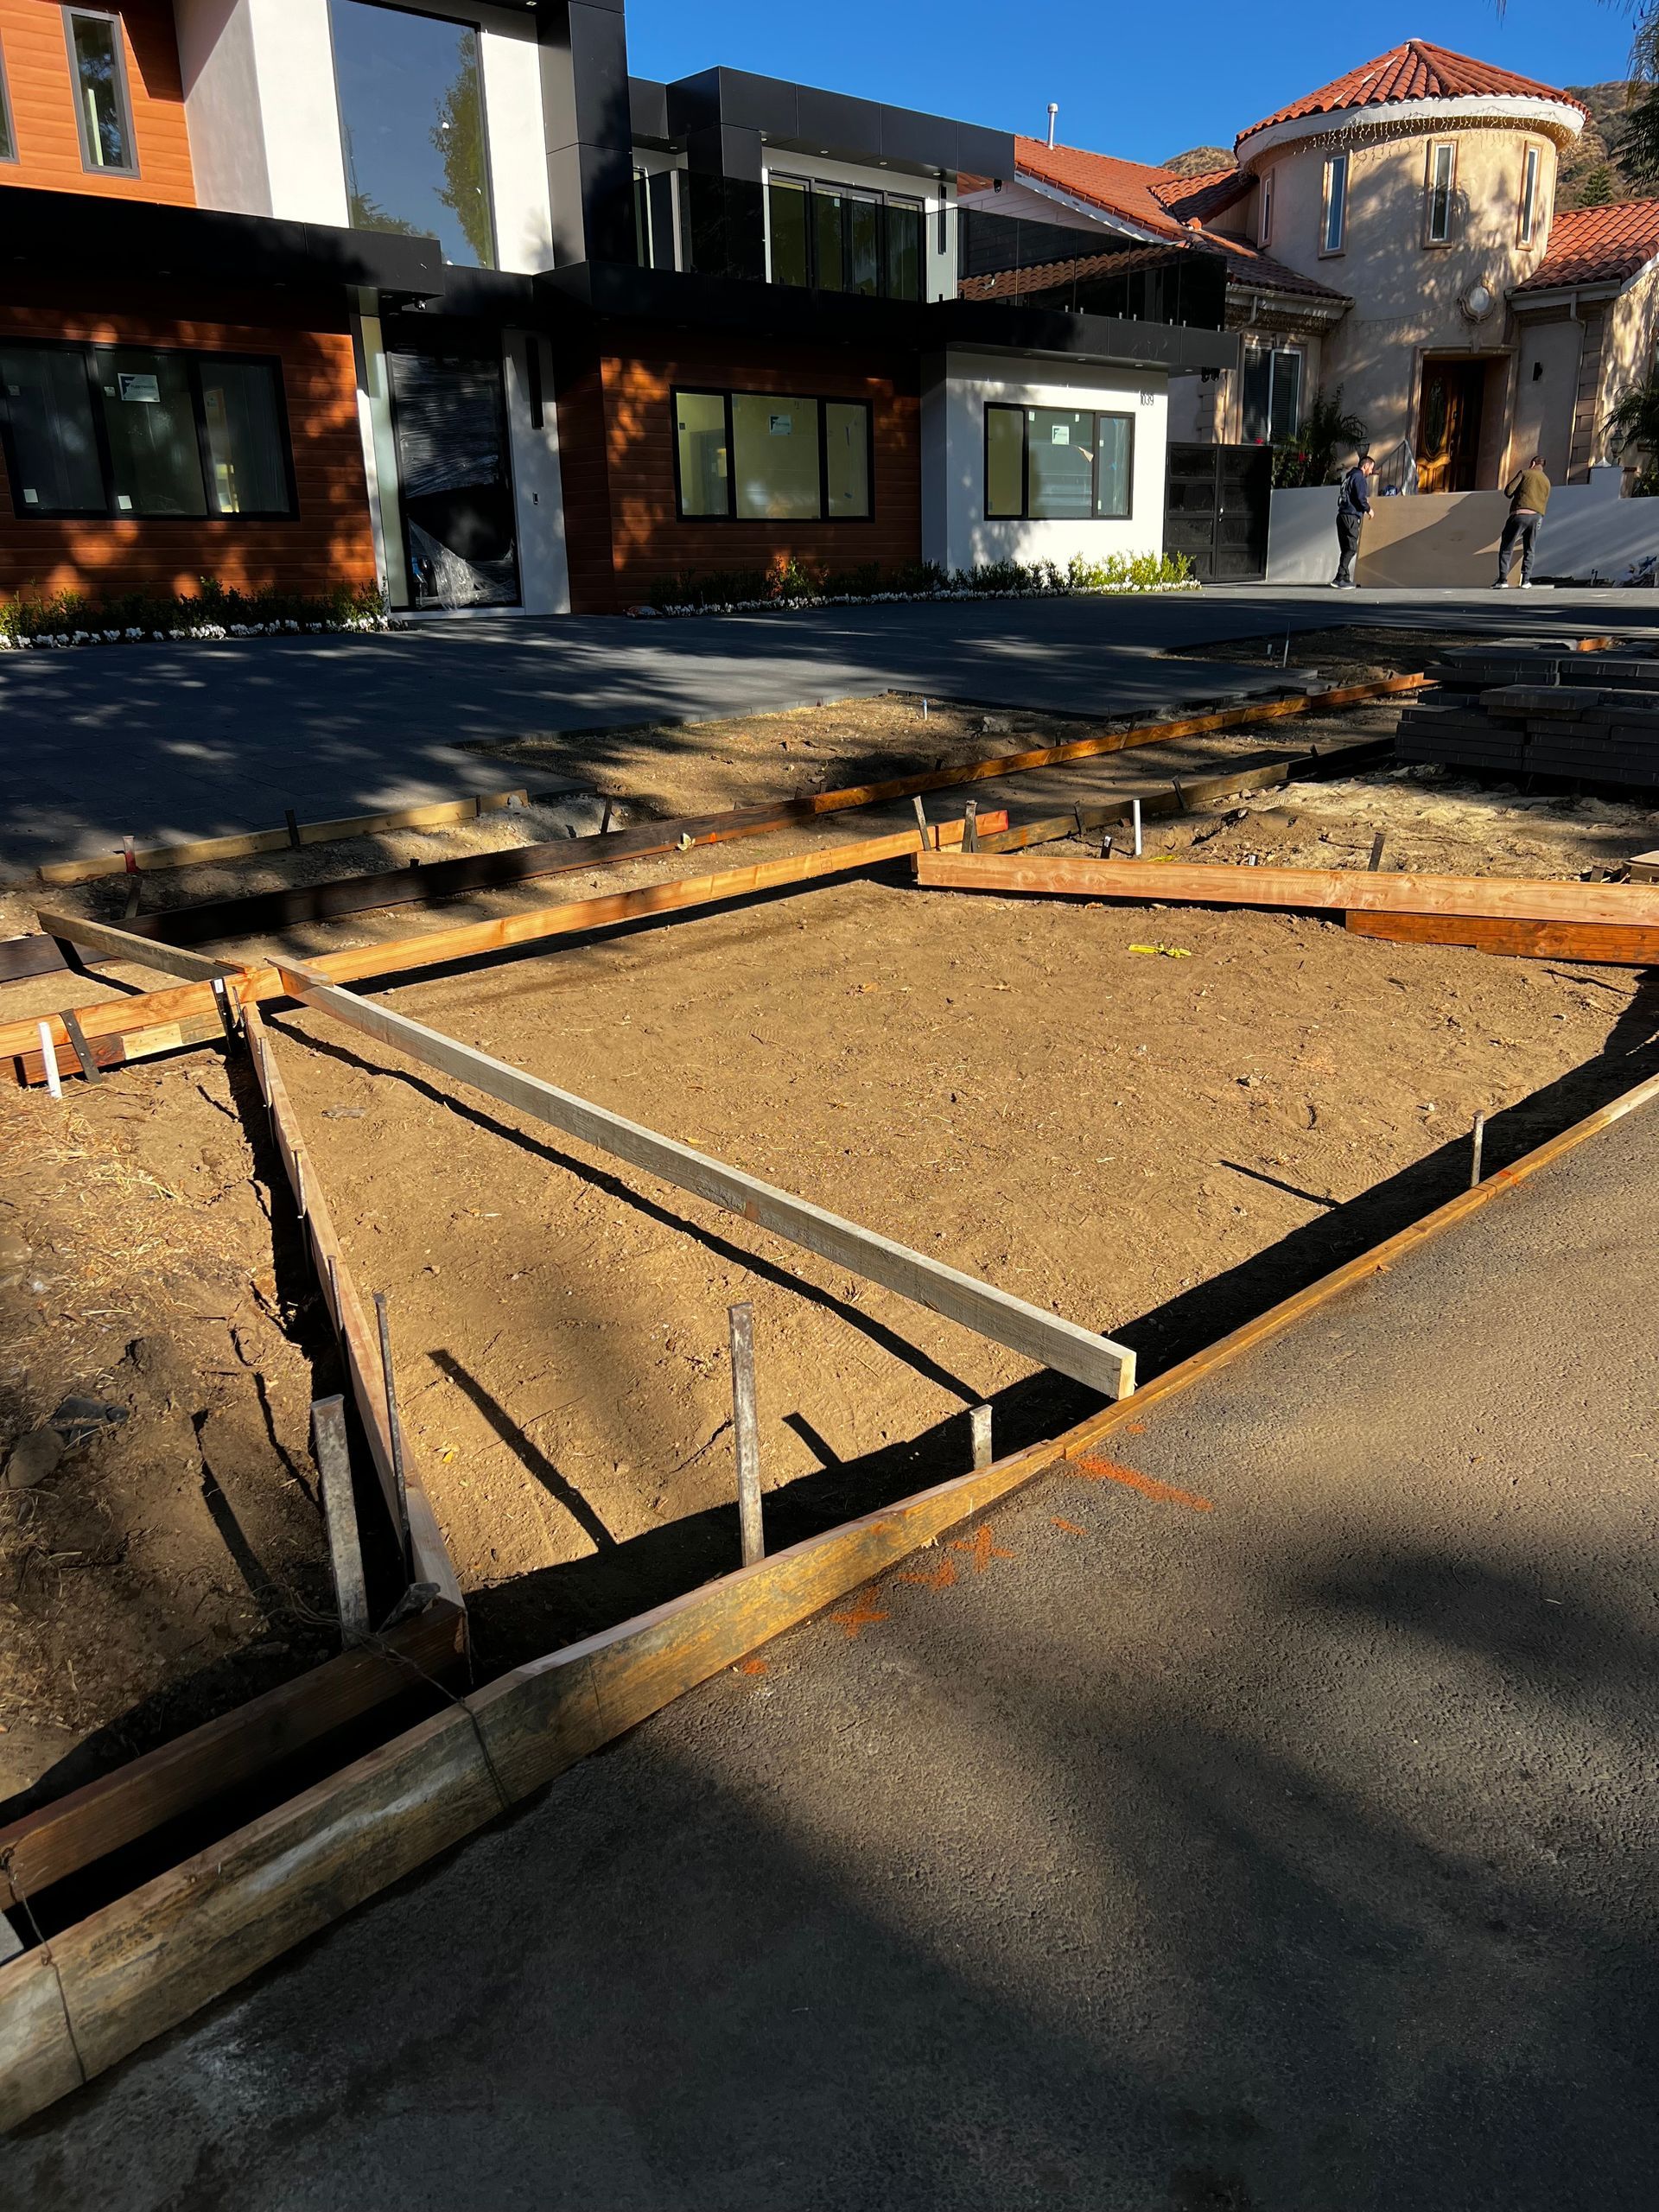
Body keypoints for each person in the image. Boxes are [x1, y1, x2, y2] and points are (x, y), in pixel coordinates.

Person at [1495, 456, 1551, 588]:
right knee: (1529, 549)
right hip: (1537, 517)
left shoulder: (1525, 473)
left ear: (1532, 463)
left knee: (1507, 547)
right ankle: (1526, 581)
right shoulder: (1547, 481)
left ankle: (1502, 580)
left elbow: (1508, 491)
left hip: (1520, 515)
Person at [1332, 454, 1376, 588]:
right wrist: (1369, 509)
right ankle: (1340, 577)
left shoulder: (1349, 476)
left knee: (1346, 548)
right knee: (1351, 548)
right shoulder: (1359, 478)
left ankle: (1345, 578)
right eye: (1371, 468)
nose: (1371, 472)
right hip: (1351, 516)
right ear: (1365, 465)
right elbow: (1360, 497)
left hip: (1342, 515)